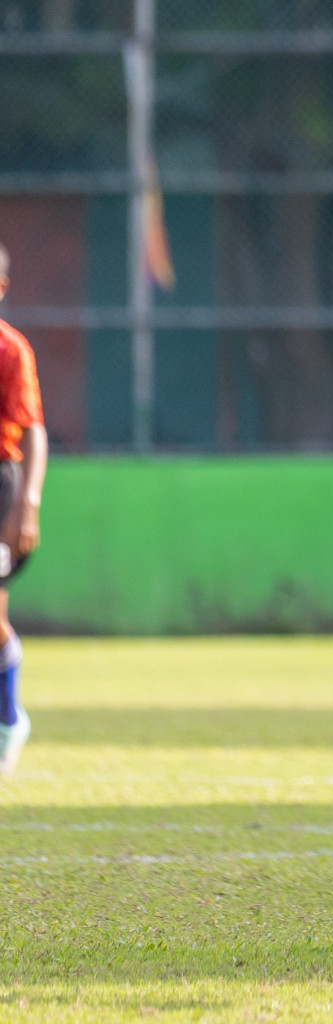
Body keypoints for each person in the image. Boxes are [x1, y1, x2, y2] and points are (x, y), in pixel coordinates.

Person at [0, 242, 48, 777]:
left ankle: (9, 718)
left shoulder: (10, 351)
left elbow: (33, 431)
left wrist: (26, 503)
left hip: (1, 489)